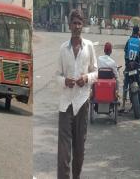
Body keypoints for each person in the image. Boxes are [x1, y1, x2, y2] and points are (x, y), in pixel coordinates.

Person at [56, 9, 98, 179]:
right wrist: (64, 81)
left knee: (79, 148)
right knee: (64, 151)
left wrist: (86, 78)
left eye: (79, 23)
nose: (77, 26)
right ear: (69, 25)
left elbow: (96, 72)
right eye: (74, 23)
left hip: (82, 101)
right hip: (65, 103)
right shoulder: (63, 49)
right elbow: (57, 75)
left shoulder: (88, 47)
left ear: (83, 25)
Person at [120, 25, 140, 112]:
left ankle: (123, 105)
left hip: (128, 67)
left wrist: (128, 62)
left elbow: (125, 52)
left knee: (125, 85)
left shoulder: (129, 41)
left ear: (133, 31)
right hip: (136, 67)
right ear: (138, 32)